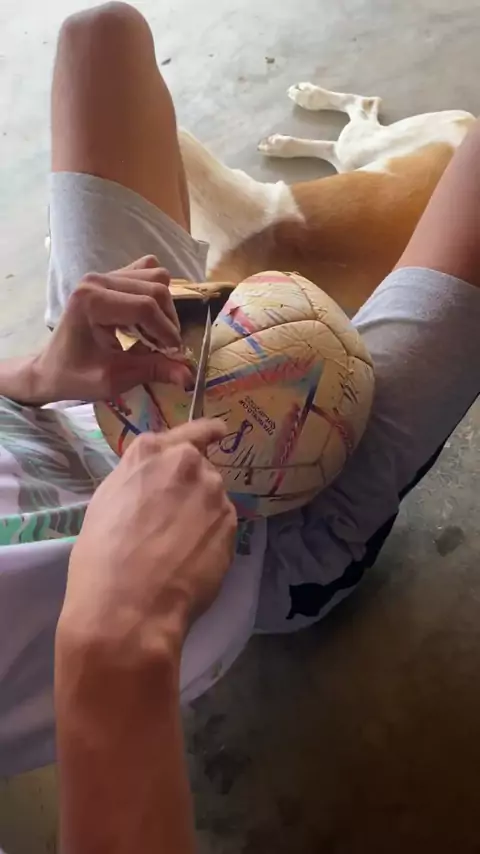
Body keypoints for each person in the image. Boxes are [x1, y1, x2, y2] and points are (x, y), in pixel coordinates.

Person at [1, 0, 480, 790]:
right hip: (257, 543)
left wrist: (36, 373)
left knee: (100, 37)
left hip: (99, 396)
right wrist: (113, 618)